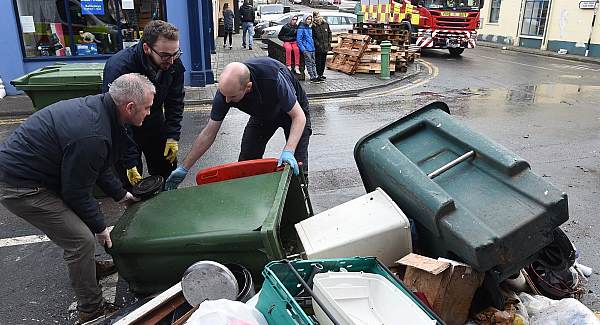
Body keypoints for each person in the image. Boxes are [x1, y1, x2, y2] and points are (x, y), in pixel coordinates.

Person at [0, 73, 154, 322]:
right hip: (21, 186)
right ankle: (91, 310)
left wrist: (121, 194)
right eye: (147, 108)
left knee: (80, 227)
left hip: (40, 174)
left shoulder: (102, 113)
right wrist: (100, 228)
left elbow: (98, 164)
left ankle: (89, 269)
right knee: (80, 240)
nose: (149, 113)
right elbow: (76, 191)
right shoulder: (93, 133)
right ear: (130, 107)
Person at [164, 57, 312, 190]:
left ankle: (299, 200)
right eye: (224, 95)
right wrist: (185, 167)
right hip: (262, 115)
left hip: (292, 114)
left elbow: (299, 117)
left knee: (296, 167)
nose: (227, 101)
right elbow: (209, 132)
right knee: (247, 162)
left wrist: (288, 151)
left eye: (232, 96)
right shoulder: (226, 92)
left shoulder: (273, 78)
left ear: (248, 87)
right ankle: (249, 203)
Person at [103, 20, 185, 189]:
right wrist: (129, 160)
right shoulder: (119, 67)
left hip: (154, 122)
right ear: (147, 48)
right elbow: (115, 117)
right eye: (165, 55)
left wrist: (172, 136)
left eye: (175, 54)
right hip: (126, 127)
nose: (171, 60)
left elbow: (175, 101)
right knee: (131, 182)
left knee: (166, 175)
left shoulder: (173, 61)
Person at [297, 15, 320, 83]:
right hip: (307, 49)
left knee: (313, 63)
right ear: (305, 19)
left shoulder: (309, 28)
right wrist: (303, 49)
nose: (309, 21)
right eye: (308, 19)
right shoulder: (301, 28)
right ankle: (312, 77)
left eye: (310, 19)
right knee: (309, 63)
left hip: (312, 48)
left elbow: (311, 38)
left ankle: (315, 75)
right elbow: (299, 40)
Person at [311, 11, 332, 81]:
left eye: (318, 16)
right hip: (318, 48)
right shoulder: (313, 26)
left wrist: (329, 42)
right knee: (318, 62)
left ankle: (321, 74)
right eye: (316, 17)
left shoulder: (325, 24)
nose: (318, 18)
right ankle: (318, 74)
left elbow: (329, 33)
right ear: (314, 18)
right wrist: (317, 44)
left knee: (323, 61)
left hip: (325, 46)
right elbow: (313, 37)